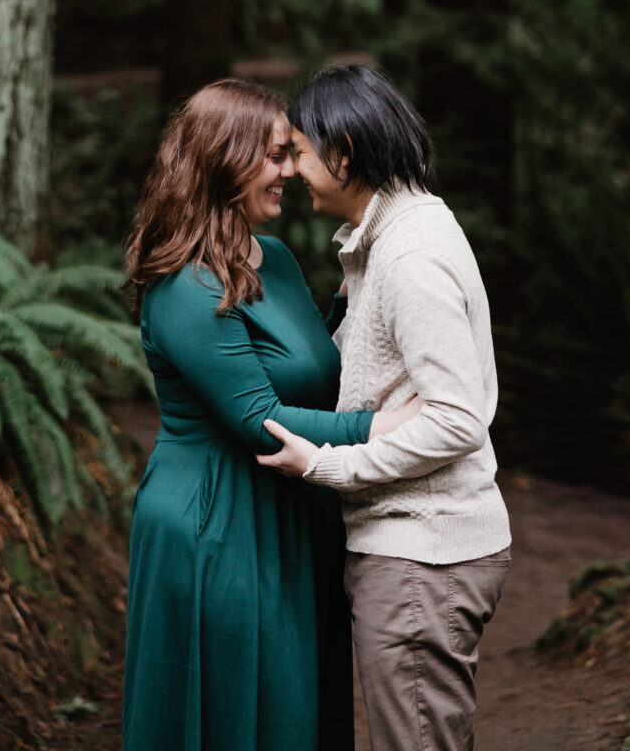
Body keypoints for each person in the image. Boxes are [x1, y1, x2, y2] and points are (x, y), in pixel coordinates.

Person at [122, 78, 419, 751]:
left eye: (291, 153)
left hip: (290, 509)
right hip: (216, 522)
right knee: (233, 710)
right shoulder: (185, 285)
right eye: (275, 154)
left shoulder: (276, 260)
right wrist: (390, 427)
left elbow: (308, 367)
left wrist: (360, 299)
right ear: (225, 159)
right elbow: (261, 418)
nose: (290, 170)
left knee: (293, 702)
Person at [258, 63, 512, 751]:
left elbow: (456, 418)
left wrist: (327, 465)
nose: (291, 171)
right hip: (415, 552)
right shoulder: (396, 236)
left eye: (300, 153)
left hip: (419, 554)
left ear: (342, 153)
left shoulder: (409, 256)